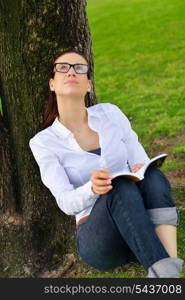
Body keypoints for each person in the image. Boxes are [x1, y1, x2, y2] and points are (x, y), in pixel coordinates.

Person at [29, 49, 184, 278]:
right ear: (52, 83)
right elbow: (65, 201)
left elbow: (139, 158)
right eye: (63, 67)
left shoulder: (110, 113)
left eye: (79, 68)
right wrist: (92, 189)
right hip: (100, 239)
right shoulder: (43, 142)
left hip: (138, 224)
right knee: (118, 186)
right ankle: (166, 275)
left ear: (88, 84)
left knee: (152, 175)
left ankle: (168, 271)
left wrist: (141, 167)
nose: (71, 72)